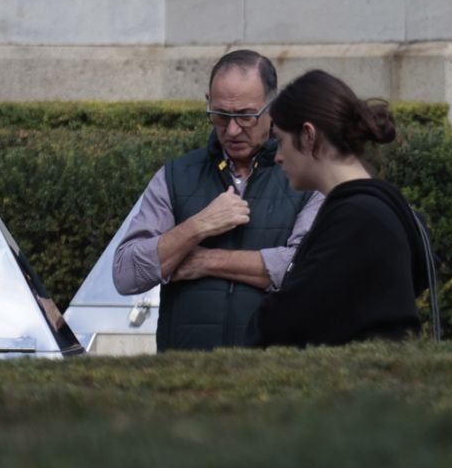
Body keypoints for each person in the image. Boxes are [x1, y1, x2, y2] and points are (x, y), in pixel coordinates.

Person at [112, 49, 322, 350]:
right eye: (221, 116)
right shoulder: (175, 176)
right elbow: (125, 273)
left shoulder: (305, 177)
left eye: (246, 116)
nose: (233, 130)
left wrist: (204, 260)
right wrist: (197, 226)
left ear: (273, 109)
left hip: (276, 372)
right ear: (208, 102)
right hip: (186, 374)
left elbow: (306, 270)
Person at [249, 70, 429, 347]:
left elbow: (281, 324)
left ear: (308, 136)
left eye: (281, 140)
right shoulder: (374, 210)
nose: (278, 156)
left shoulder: (357, 217)